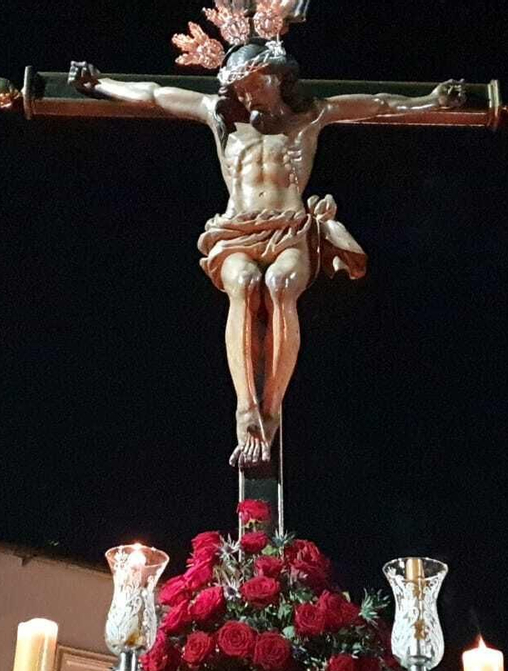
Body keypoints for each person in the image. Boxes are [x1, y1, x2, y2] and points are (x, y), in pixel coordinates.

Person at [70, 4, 463, 467]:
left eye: (253, 86)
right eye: (239, 88)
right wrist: (100, 85)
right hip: (235, 232)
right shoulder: (220, 118)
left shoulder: (309, 119)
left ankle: (270, 411)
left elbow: (377, 103)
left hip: (290, 230)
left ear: (276, 78)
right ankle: (247, 411)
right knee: (244, 284)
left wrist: (431, 102)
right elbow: (156, 94)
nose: (247, 97)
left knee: (278, 286)